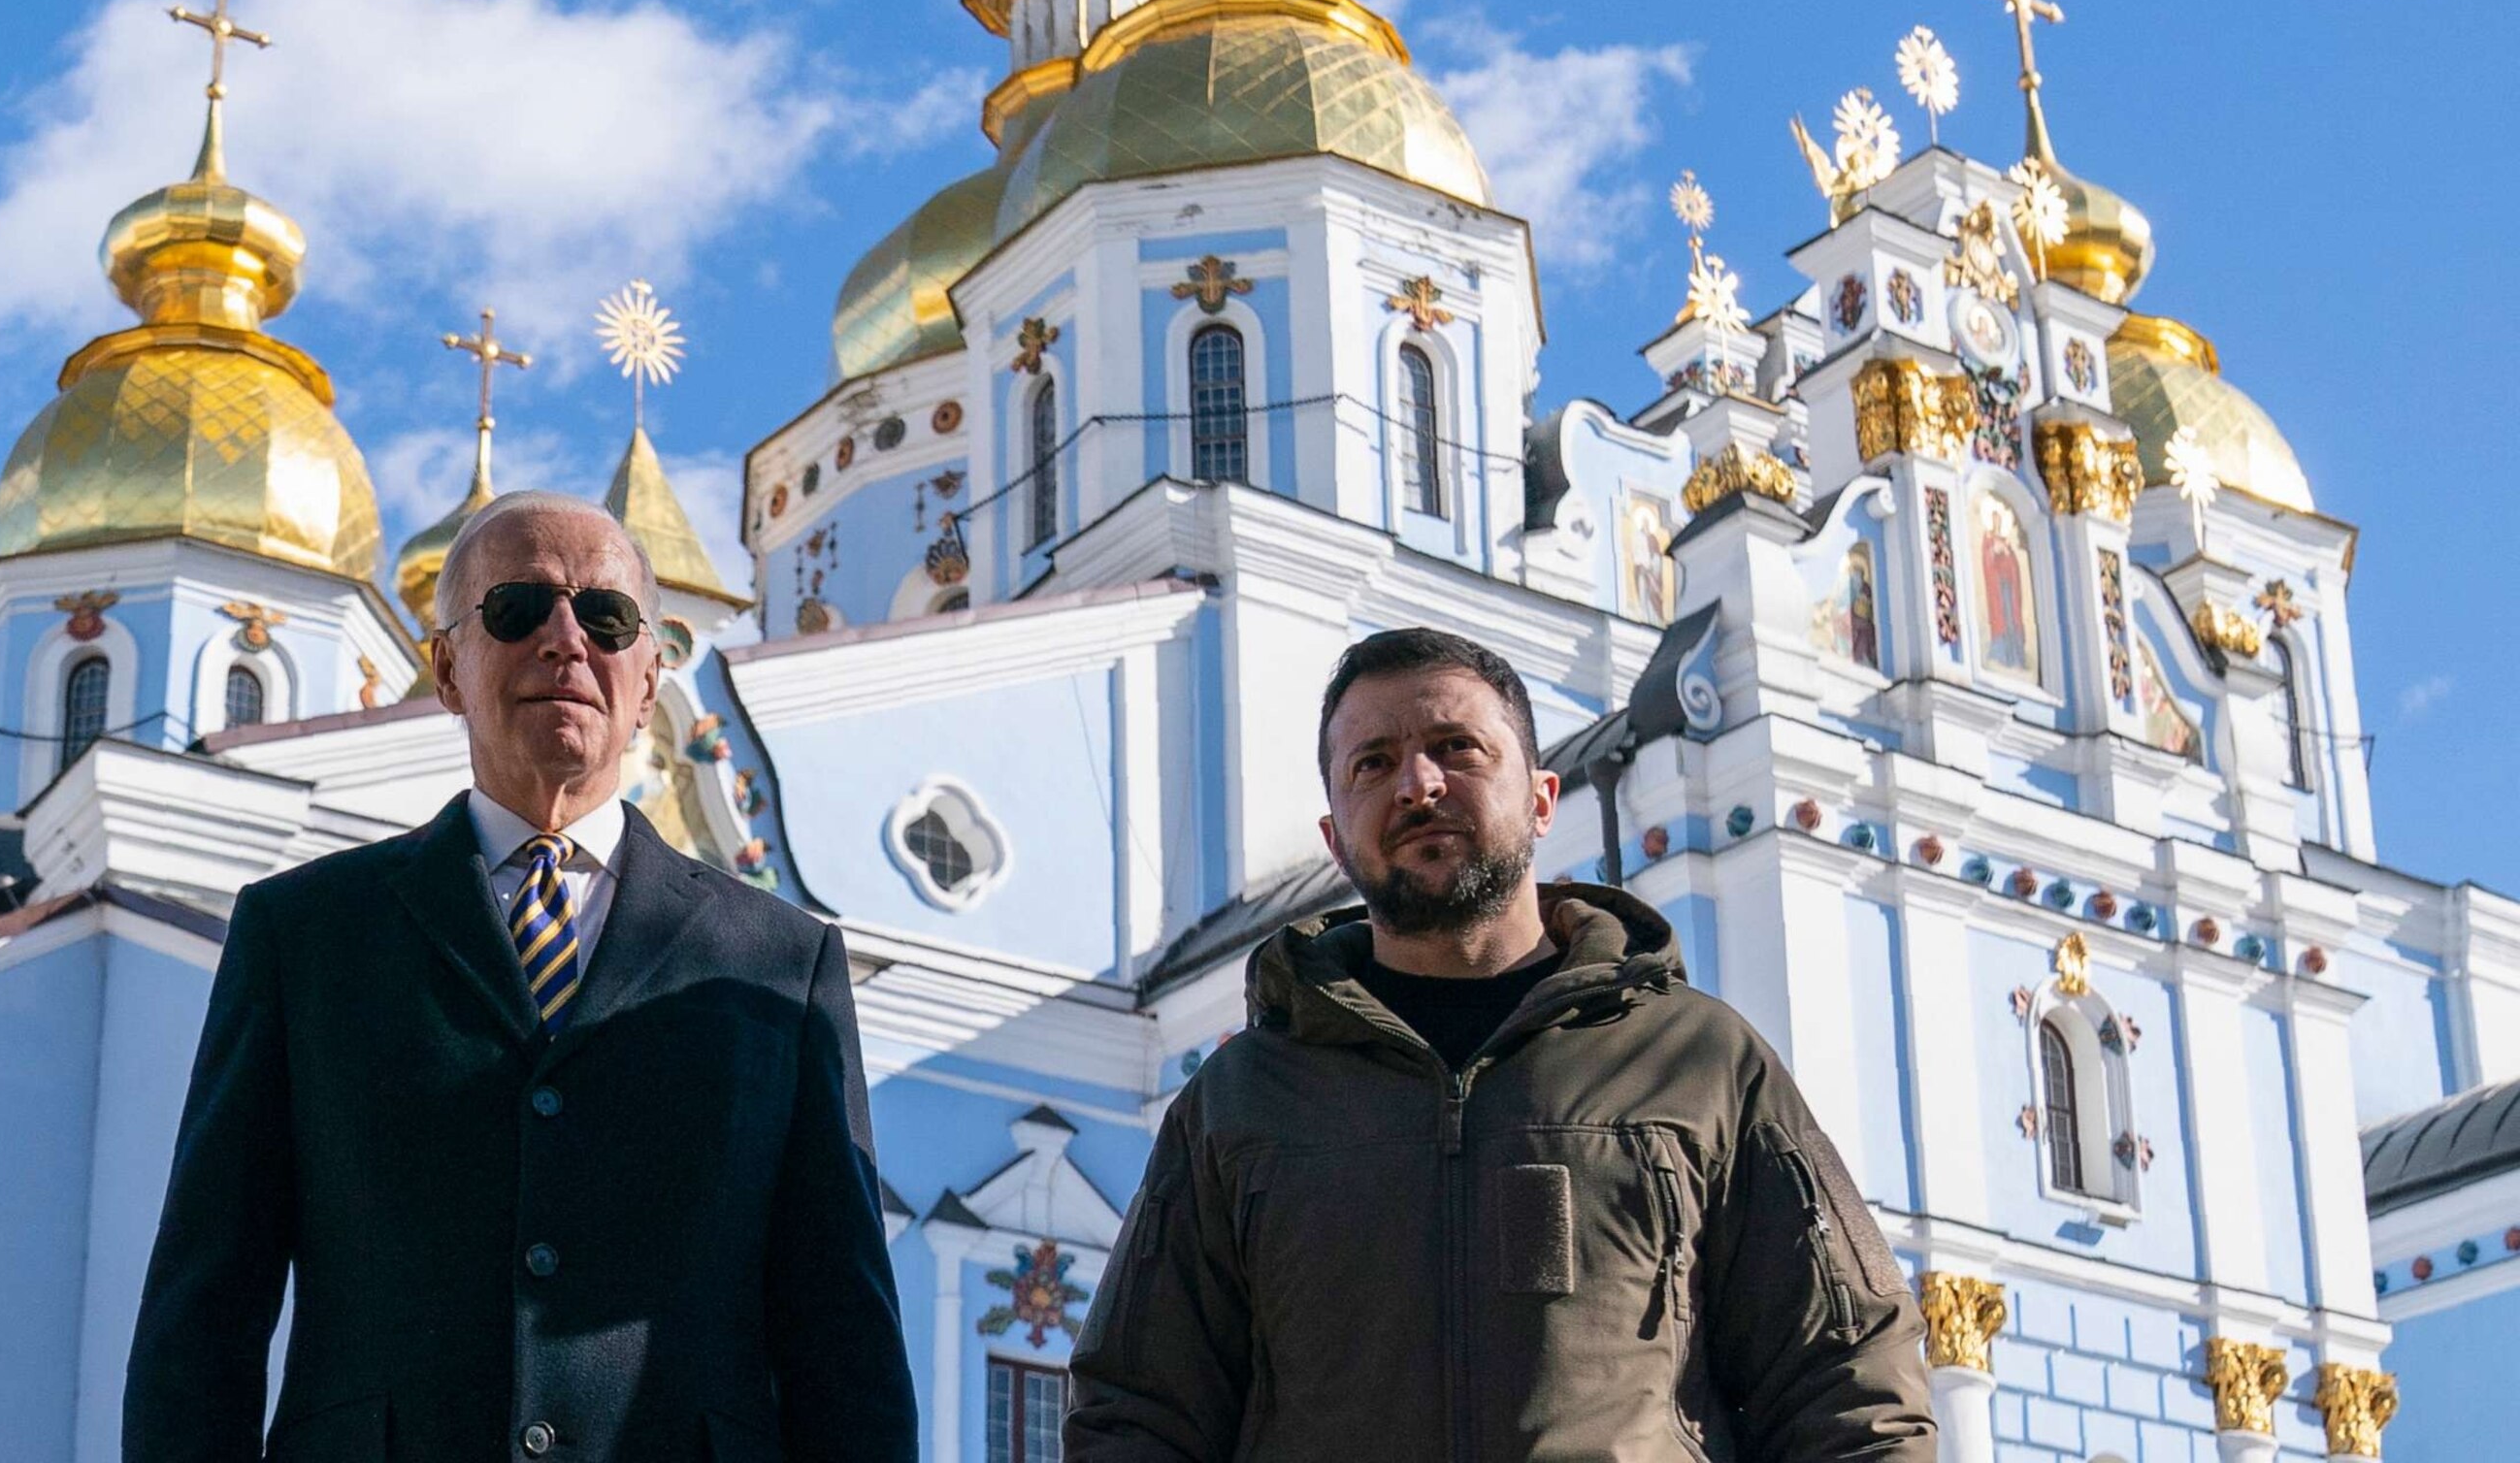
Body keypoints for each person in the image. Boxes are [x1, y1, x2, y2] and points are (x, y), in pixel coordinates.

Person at [124, 491, 916, 1463]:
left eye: (606, 616)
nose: (566, 640)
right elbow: (208, 1303)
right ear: (448, 666)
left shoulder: (779, 963)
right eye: (518, 607)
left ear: (651, 671)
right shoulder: (307, 934)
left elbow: (843, 1337)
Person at [1065, 627, 1934, 1463]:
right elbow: (1137, 1414)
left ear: (1543, 800)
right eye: (1372, 764)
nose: (1417, 784)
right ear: (1334, 838)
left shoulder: (1698, 1062)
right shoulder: (1242, 1099)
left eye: (1458, 748)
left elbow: (1850, 1382)